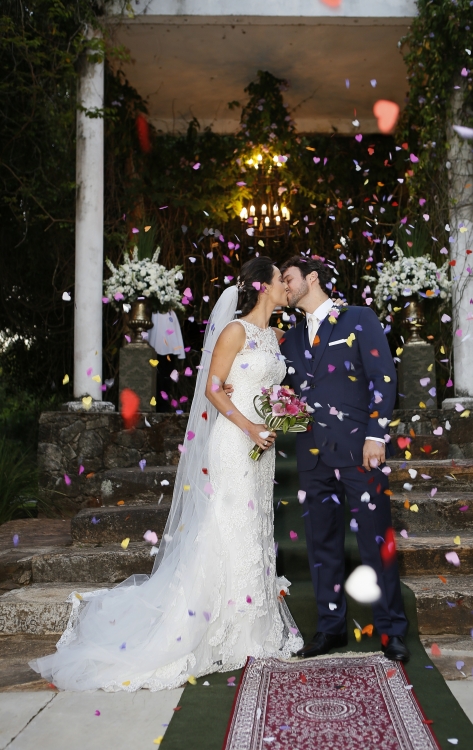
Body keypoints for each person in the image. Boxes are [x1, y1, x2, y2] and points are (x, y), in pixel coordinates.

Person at [29, 257, 302, 691]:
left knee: (255, 526)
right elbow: (212, 388)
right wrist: (250, 426)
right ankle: (217, 628)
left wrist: (280, 409)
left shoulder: (273, 335)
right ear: (263, 286)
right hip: (235, 441)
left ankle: (254, 625)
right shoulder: (235, 331)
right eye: (280, 280)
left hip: (261, 446)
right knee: (229, 525)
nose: (287, 286)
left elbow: (263, 386)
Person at [279, 255, 410, 663]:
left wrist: (375, 434)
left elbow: (383, 377)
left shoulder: (358, 318)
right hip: (312, 456)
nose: (284, 287)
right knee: (322, 545)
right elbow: (287, 390)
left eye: (288, 279)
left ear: (312, 278)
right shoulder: (291, 338)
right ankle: (330, 627)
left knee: (375, 542)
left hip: (360, 451)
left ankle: (392, 630)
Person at [146, 309, 186, 412]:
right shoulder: (153, 312)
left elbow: (175, 332)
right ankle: (154, 407)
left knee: (166, 380)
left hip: (169, 353)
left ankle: (163, 407)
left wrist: (178, 351)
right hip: (153, 352)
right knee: (154, 380)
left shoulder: (170, 313)